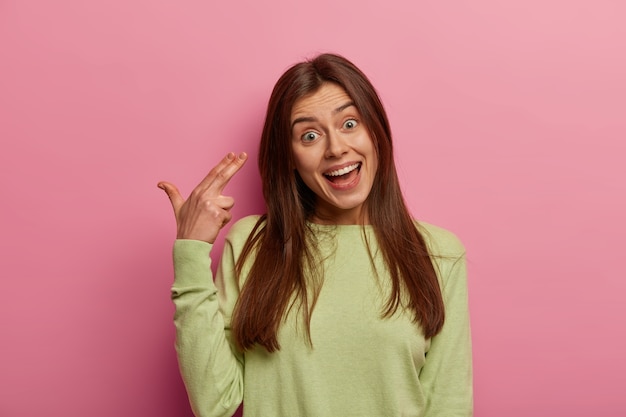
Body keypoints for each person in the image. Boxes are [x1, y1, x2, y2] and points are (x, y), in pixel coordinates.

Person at [158, 53, 472, 417]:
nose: (336, 148)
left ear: (376, 131)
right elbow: (214, 403)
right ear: (289, 156)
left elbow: (449, 405)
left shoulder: (438, 254)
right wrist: (191, 252)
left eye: (350, 123)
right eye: (309, 135)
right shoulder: (252, 245)